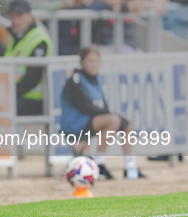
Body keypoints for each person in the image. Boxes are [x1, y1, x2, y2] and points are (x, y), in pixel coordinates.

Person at [60, 45, 146, 180]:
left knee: (126, 121)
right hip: (75, 123)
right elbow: (85, 107)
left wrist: (117, 117)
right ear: (82, 63)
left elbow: (103, 107)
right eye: (89, 61)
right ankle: (99, 164)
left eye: (96, 61)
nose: (93, 65)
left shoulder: (97, 80)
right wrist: (114, 117)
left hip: (91, 121)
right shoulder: (75, 79)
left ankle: (130, 167)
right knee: (114, 120)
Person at [4, 0, 53, 116]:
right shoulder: (17, 36)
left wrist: (8, 92)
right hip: (18, 93)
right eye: (12, 16)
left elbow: (33, 78)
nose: (15, 20)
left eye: (19, 15)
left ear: (30, 16)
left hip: (34, 97)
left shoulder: (38, 38)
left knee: (0, 109)